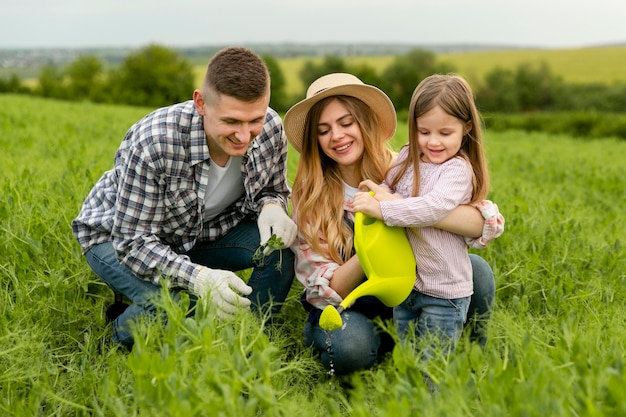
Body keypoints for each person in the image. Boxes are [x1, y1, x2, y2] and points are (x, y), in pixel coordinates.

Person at [71, 47, 297, 349]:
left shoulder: (270, 128)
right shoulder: (155, 142)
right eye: (231, 122)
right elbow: (133, 244)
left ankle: (241, 343)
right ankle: (112, 339)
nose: (245, 136)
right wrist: (200, 278)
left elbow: (273, 188)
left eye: (254, 120)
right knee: (179, 303)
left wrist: (273, 206)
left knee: (280, 253)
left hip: (204, 232)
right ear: (201, 103)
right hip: (116, 238)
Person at [283, 73, 504, 376]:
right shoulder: (311, 199)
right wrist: (375, 247)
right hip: (354, 306)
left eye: (346, 123)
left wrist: (396, 207)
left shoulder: (404, 167)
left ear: (365, 122)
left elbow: (485, 221)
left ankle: (463, 355)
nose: (337, 136)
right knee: (349, 347)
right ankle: (378, 347)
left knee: (477, 271)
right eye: (324, 130)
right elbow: (323, 290)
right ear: (315, 140)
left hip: (416, 290)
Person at [353, 73, 497, 361]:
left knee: (432, 366)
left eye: (445, 133)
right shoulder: (409, 157)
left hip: (444, 292)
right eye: (424, 132)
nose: (433, 142)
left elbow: (433, 208)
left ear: (466, 127)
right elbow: (389, 185)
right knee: (408, 361)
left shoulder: (456, 170)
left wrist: (384, 209)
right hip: (409, 286)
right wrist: (374, 191)